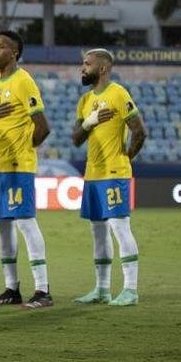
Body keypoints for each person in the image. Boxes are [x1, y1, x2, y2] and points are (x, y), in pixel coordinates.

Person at [0, 29, 53, 309]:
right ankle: (12, 288)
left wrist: (24, 150)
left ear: (14, 52)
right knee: (3, 227)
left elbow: (43, 127)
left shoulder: (24, 82)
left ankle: (43, 290)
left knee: (25, 222)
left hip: (16, 166)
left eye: (0, 47)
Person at [71, 48, 146, 307]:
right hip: (93, 174)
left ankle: (130, 290)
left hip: (113, 173)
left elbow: (140, 131)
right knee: (98, 232)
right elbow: (76, 138)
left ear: (102, 68)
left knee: (119, 227)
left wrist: (125, 158)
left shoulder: (118, 93)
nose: (82, 68)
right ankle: (102, 289)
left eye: (87, 64)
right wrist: (88, 123)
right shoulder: (84, 100)